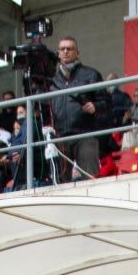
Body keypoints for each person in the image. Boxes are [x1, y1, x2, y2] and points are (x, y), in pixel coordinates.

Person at [48, 37, 106, 183]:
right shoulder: (51, 81)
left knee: (91, 180)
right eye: (62, 49)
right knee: (60, 184)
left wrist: (95, 107)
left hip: (85, 134)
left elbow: (106, 102)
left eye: (70, 48)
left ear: (78, 53)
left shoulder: (91, 74)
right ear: (58, 53)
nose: (66, 51)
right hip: (60, 137)